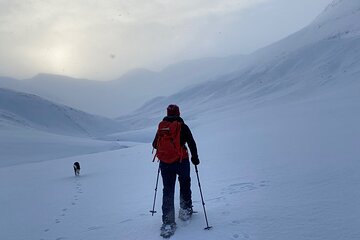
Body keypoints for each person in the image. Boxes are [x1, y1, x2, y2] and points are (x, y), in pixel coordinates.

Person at [152, 104, 200, 237]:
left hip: (165, 163)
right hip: (181, 161)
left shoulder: (162, 127)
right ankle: (185, 210)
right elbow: (191, 142)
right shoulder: (182, 126)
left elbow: (154, 144)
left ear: (167, 113)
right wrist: (195, 158)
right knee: (184, 184)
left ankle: (168, 222)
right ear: (178, 113)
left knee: (167, 190)